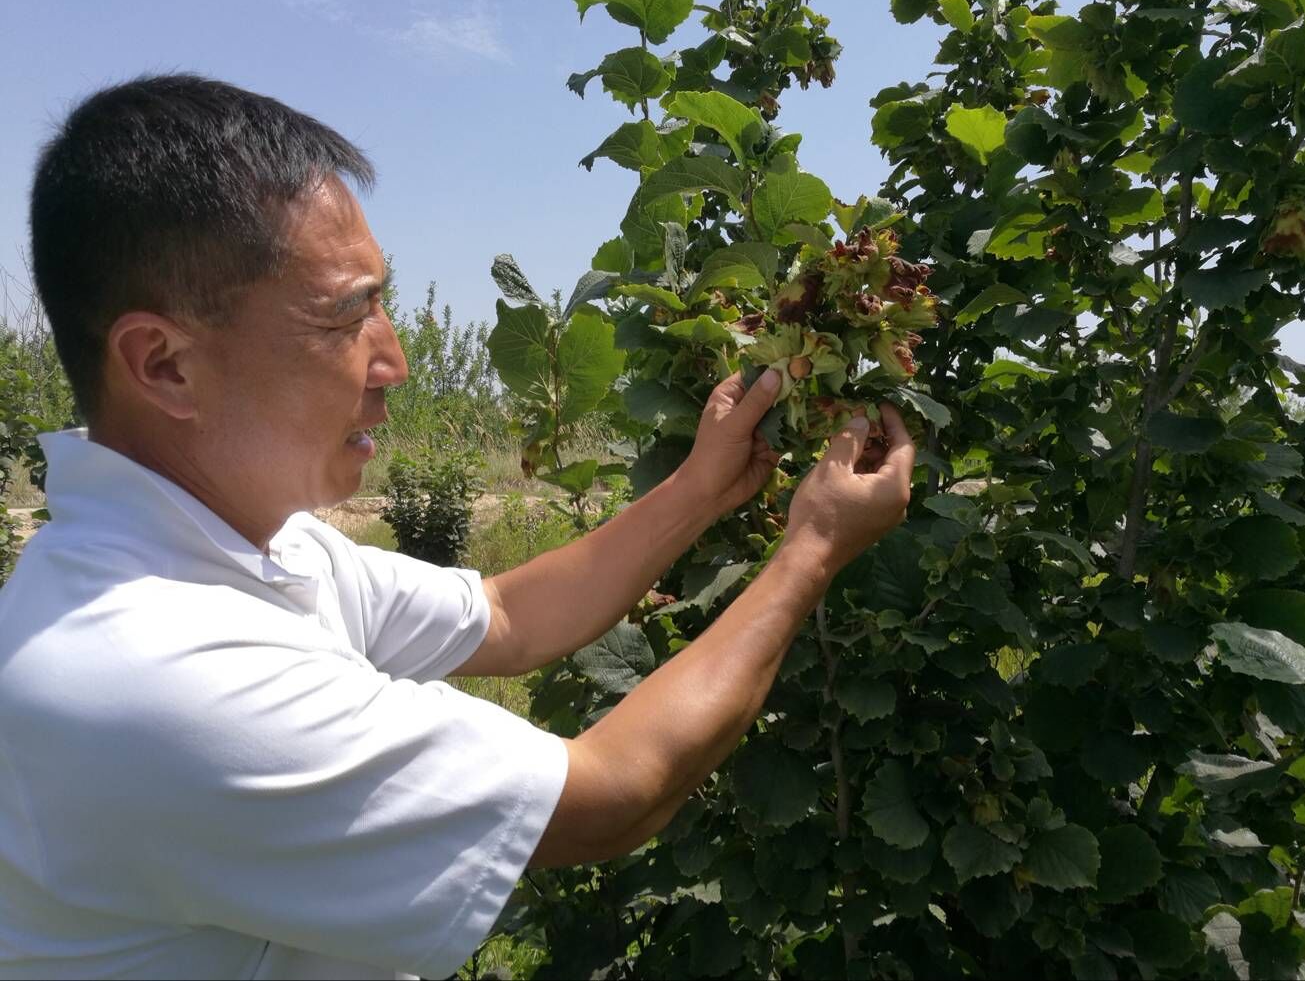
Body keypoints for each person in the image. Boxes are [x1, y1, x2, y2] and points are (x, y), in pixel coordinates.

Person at [0, 74, 913, 980]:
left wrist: (700, 487)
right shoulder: (152, 675)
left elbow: (508, 614)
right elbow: (612, 794)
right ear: (163, 364)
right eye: (348, 315)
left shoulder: (256, 545)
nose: (394, 360)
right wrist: (811, 551)